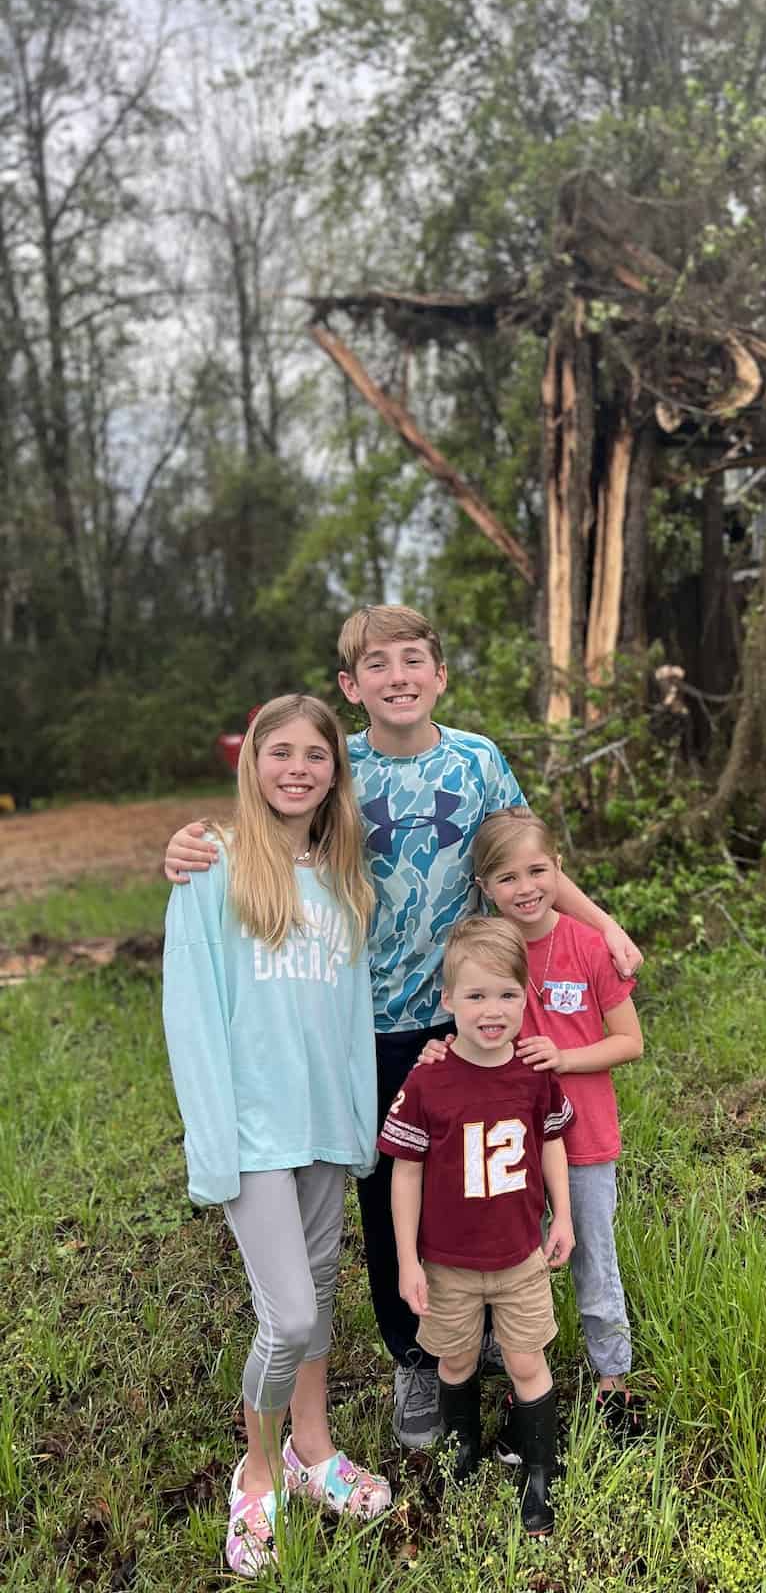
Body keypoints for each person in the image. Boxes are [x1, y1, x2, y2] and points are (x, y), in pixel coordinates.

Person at [163, 605, 643, 1454]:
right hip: (370, 1026)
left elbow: (529, 857)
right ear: (352, 687)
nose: (398, 677)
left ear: (439, 674)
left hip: (472, 1014)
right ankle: (416, 1357)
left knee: (487, 1180)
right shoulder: (345, 771)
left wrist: (603, 925)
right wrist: (195, 846)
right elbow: (280, 817)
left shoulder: (478, 760)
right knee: (393, 1198)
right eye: (377, 665)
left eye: (413, 660)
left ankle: (492, 1327)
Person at [162, 695, 390, 1581]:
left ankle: (314, 1450)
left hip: (323, 1127)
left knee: (322, 1298)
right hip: (253, 1135)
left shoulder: (341, 879)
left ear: (337, 772)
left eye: (317, 755)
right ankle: (256, 1473)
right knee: (286, 1314)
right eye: (280, 752)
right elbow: (193, 1019)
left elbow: (346, 1021)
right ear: (252, 763)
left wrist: (357, 1125)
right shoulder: (213, 866)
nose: (298, 768)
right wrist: (212, 1146)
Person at [425, 807, 646, 1436]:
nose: (524, 888)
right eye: (506, 878)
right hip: (507, 1145)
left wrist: (564, 1058)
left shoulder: (585, 944)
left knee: (593, 1260)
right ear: (484, 888)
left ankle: (613, 1384)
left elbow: (629, 1041)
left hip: (583, 1139)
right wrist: (440, 1051)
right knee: (508, 1259)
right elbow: (469, 1026)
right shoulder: (487, 949)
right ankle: (520, 1379)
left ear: (559, 870)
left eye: (537, 871)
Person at [380, 916, 574, 1536]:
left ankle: (538, 1468)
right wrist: (407, 1260)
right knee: (456, 1357)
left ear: (526, 996)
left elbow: (551, 1145)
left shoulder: (534, 1071)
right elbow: (405, 1173)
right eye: (475, 995)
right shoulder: (428, 1078)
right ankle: (462, 1447)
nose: (492, 1011)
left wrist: (562, 1215)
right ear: (448, 1001)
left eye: (507, 995)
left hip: (519, 1256)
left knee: (524, 1360)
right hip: (447, 1261)